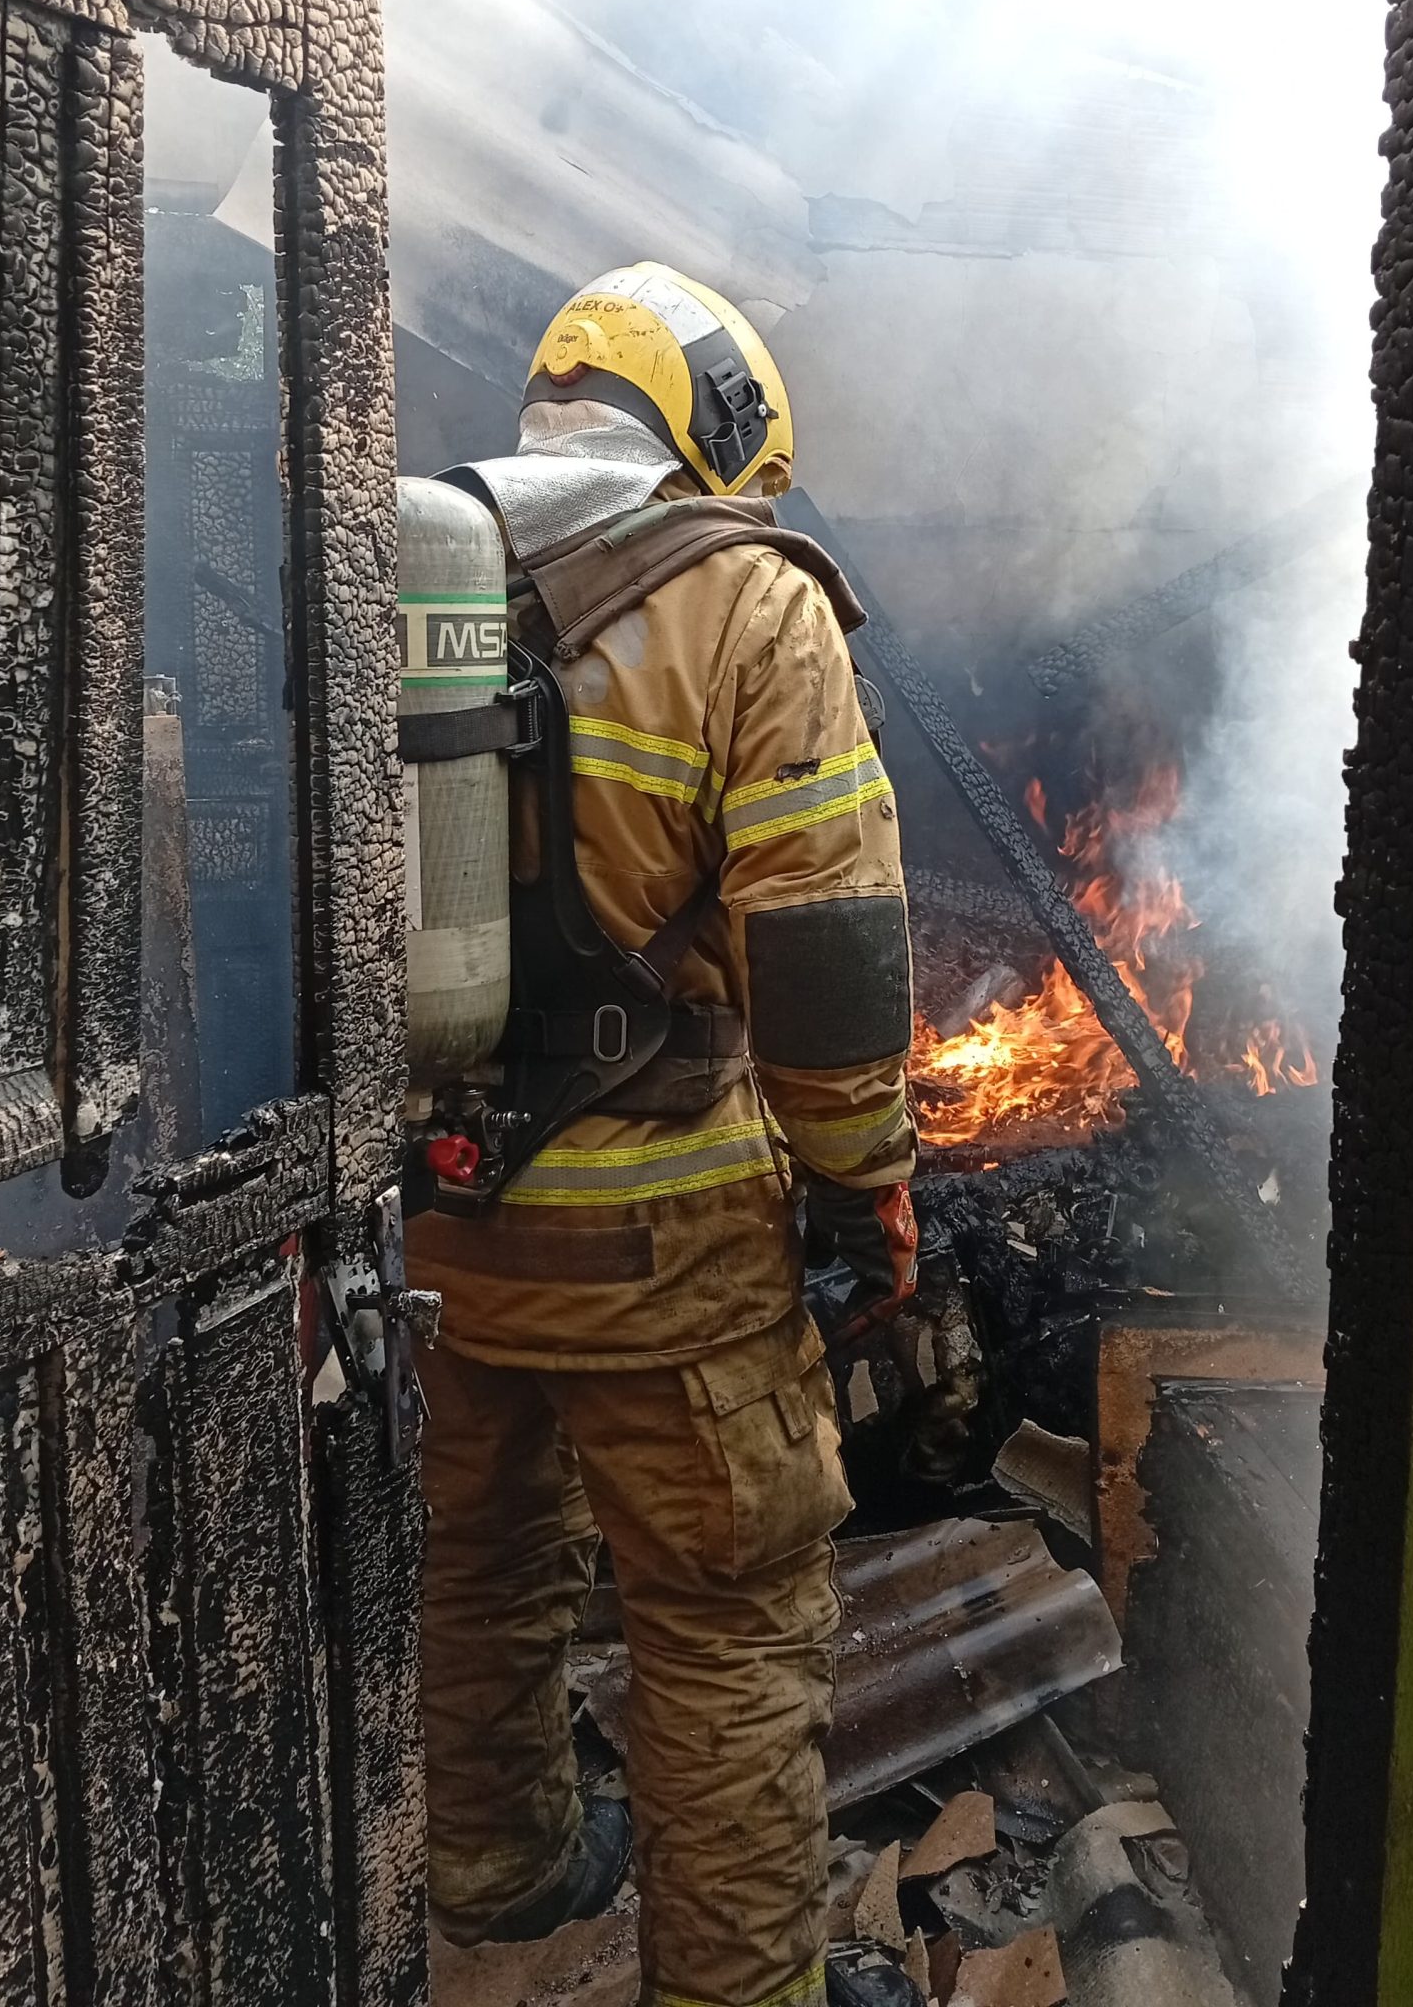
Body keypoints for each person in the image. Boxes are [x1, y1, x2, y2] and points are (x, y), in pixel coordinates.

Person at [406, 262, 921, 2007]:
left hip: (442, 1233)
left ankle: (496, 1864)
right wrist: (869, 1188)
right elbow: (829, 964)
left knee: (478, 1562)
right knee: (727, 1636)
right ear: (716, 429)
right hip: (671, 1257)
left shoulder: (397, 570)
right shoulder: (750, 605)